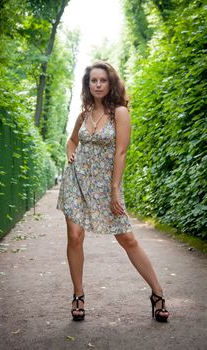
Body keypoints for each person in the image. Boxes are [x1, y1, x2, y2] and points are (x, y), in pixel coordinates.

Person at [57, 61, 169, 323]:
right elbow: (72, 140)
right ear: (88, 85)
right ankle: (78, 296)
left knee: (127, 238)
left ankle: (158, 293)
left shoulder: (120, 112)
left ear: (111, 83)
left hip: (107, 184)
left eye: (102, 80)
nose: (97, 85)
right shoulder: (83, 115)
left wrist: (114, 189)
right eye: (93, 81)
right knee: (75, 235)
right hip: (77, 180)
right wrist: (71, 153)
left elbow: (121, 151)